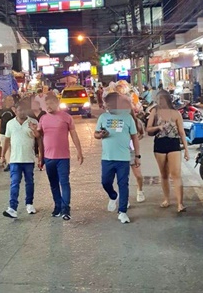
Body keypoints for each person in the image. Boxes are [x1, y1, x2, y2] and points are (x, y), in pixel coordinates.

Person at [31, 93, 83, 221]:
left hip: (63, 157)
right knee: (53, 184)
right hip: (49, 158)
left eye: (50, 104)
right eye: (46, 104)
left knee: (64, 182)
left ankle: (66, 208)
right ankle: (57, 206)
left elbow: (74, 135)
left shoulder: (66, 117)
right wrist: (33, 130)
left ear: (57, 103)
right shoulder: (43, 119)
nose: (48, 106)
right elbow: (39, 136)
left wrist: (79, 151)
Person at [94, 93, 140, 224]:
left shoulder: (128, 118)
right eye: (106, 104)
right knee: (105, 182)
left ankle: (122, 211)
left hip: (123, 158)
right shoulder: (103, 117)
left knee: (123, 184)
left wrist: (137, 156)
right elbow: (96, 134)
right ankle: (113, 196)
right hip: (107, 158)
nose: (107, 107)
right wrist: (101, 134)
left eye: (109, 104)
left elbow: (135, 138)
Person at [146, 90, 190, 213]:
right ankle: (166, 199)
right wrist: (158, 127)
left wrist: (186, 150)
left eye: (162, 99)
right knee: (164, 174)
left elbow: (182, 132)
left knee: (176, 174)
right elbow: (148, 129)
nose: (160, 102)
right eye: (158, 99)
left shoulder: (176, 113)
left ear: (167, 99)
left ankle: (180, 203)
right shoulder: (154, 112)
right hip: (160, 145)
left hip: (174, 144)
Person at [2, 101, 42, 218]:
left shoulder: (33, 122)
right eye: (19, 110)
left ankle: (29, 204)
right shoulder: (10, 124)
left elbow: (38, 137)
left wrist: (40, 155)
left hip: (28, 158)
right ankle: (12, 208)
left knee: (29, 182)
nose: (22, 112)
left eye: (24, 110)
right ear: (15, 110)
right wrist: (2, 155)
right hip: (15, 159)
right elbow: (7, 140)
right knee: (14, 183)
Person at [0, 96, 15, 172]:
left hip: (12, 132)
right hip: (3, 132)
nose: (11, 101)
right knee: (6, 148)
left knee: (11, 148)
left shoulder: (14, 110)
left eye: (11, 100)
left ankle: (11, 163)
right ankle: (9, 163)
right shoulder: (2, 111)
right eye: (9, 100)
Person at [29, 100, 47, 171]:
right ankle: (36, 161)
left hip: (42, 133)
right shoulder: (30, 114)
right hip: (33, 133)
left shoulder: (43, 113)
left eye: (35, 105)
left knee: (42, 148)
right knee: (34, 148)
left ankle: (41, 162)